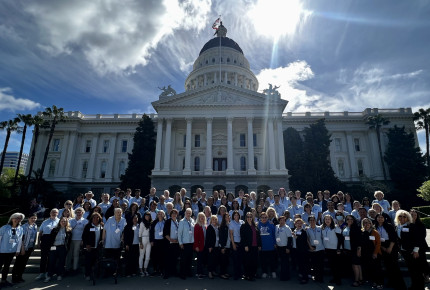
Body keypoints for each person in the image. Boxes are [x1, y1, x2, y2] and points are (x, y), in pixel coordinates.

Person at [375, 213, 406, 289]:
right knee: (387, 266)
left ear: (384, 218)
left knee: (394, 266)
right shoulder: (375, 226)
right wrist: (382, 247)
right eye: (378, 217)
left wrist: (390, 248)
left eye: (382, 217)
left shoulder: (389, 225)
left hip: (391, 246)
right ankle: (391, 282)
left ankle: (400, 284)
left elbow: (393, 237)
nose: (380, 218)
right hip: (381, 246)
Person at [395, 210, 424, 289]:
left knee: (417, 271)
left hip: (413, 252)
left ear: (408, 218)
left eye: (404, 216)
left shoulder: (411, 226)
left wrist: (415, 250)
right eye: (400, 216)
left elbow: (417, 239)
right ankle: (414, 286)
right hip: (404, 251)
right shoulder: (398, 226)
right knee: (411, 270)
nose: (402, 218)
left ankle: (420, 287)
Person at [44, 217, 72, 282]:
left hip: (62, 247)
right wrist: (50, 247)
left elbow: (69, 241)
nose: (63, 222)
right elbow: (50, 239)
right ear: (59, 222)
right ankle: (49, 275)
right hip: (54, 247)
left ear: (66, 222)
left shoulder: (68, 230)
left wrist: (67, 248)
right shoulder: (55, 229)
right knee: (51, 262)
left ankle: (59, 275)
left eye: (64, 221)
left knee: (61, 262)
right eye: (62, 221)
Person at [0, 213, 24, 286]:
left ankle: (4, 280)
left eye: (19, 218)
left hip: (11, 251)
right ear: (12, 218)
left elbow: (20, 240)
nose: (17, 220)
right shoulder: (4, 227)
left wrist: (17, 250)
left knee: (7, 266)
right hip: (2, 251)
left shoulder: (20, 228)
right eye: (16, 218)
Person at [12, 213, 37, 283]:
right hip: (22, 247)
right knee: (18, 263)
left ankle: (20, 276)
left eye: (35, 218)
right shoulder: (23, 226)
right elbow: (21, 238)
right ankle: (14, 277)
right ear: (28, 218)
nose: (33, 219)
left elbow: (34, 237)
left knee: (24, 263)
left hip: (29, 247)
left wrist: (33, 246)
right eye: (32, 218)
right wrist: (22, 248)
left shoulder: (35, 226)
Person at [359, 218, 383, 289]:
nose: (367, 224)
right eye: (365, 223)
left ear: (371, 224)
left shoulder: (375, 232)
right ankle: (373, 281)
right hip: (366, 254)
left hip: (374, 253)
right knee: (370, 268)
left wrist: (375, 253)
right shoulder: (361, 232)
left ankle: (379, 283)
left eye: (368, 223)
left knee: (377, 269)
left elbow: (378, 244)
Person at [36, 208, 59, 281]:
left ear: (57, 213)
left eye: (55, 212)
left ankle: (49, 273)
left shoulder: (59, 221)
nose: (54, 213)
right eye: (52, 212)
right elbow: (40, 233)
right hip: (45, 240)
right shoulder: (45, 222)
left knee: (51, 257)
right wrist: (38, 242)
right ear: (50, 213)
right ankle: (42, 272)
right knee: (43, 257)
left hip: (54, 242)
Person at [102, 208, 126, 276]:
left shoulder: (123, 220)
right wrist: (103, 239)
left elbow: (124, 231)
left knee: (117, 259)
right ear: (114, 213)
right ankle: (108, 272)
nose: (119, 214)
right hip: (109, 243)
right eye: (117, 212)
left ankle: (116, 272)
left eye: (120, 212)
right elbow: (104, 230)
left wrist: (122, 239)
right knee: (108, 259)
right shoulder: (110, 219)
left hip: (117, 243)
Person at [410, 209, 430, 284]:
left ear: (417, 216)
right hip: (411, 246)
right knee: (416, 263)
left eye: (415, 215)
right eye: (411, 215)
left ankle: (426, 275)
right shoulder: (408, 224)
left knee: (423, 262)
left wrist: (417, 248)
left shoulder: (421, 224)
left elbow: (422, 236)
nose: (413, 216)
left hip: (420, 246)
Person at [66, 207, 88, 274]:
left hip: (79, 239)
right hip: (71, 239)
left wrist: (83, 240)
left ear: (82, 213)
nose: (78, 213)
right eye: (77, 212)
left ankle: (75, 268)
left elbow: (85, 232)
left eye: (80, 212)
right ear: (75, 213)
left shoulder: (85, 221)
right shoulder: (71, 220)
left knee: (76, 254)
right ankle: (67, 268)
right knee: (69, 254)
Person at [321, 215, 342, 285]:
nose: (327, 220)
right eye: (326, 219)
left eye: (328, 219)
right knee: (331, 265)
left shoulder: (335, 227)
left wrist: (338, 248)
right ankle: (334, 278)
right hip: (327, 249)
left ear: (331, 220)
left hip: (335, 249)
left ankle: (338, 280)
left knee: (337, 266)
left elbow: (340, 238)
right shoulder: (323, 228)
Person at [82, 212, 103, 281]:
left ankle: (96, 274)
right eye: (94, 217)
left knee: (96, 262)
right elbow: (84, 237)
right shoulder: (88, 226)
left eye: (97, 217)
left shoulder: (101, 226)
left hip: (97, 247)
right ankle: (87, 274)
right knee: (88, 262)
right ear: (91, 218)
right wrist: (87, 245)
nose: (96, 219)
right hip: (89, 247)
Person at [342, 215, 362, 287]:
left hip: (354, 249)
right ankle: (360, 279)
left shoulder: (356, 228)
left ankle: (357, 281)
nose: (349, 220)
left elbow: (359, 240)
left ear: (353, 220)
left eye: (351, 219)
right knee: (356, 265)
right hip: (347, 249)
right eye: (348, 219)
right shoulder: (345, 227)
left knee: (355, 265)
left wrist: (359, 249)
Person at [240, 212, 261, 281]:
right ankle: (248, 275)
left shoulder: (254, 225)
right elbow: (242, 237)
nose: (249, 218)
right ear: (246, 218)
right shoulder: (243, 226)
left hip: (255, 246)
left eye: (250, 217)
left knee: (254, 261)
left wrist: (259, 245)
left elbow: (258, 236)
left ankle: (253, 274)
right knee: (248, 261)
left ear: (252, 218)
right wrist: (245, 245)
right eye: (248, 217)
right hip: (248, 246)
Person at [258, 211, 277, 279]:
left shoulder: (271, 225)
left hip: (271, 246)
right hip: (262, 247)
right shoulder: (257, 225)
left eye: (265, 217)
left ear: (267, 218)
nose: (264, 218)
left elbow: (274, 235)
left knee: (272, 261)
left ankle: (273, 272)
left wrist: (275, 243)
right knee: (263, 261)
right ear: (260, 218)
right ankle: (264, 272)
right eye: (262, 217)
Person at [306, 215, 324, 283]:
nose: (312, 221)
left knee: (320, 265)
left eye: (313, 220)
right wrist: (310, 246)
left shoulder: (320, 228)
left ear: (316, 221)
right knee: (314, 264)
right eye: (310, 220)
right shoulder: (307, 229)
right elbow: (307, 239)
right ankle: (316, 277)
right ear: (308, 221)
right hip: (312, 249)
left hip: (320, 248)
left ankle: (320, 278)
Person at [178, 208, 195, 279]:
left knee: (189, 259)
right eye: (187, 213)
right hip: (184, 243)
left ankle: (188, 272)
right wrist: (180, 243)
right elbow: (179, 234)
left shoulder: (193, 221)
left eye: (189, 213)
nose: (188, 214)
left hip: (191, 243)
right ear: (185, 213)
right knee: (183, 260)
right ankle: (182, 273)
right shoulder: (182, 222)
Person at [163, 209, 180, 279]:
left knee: (175, 259)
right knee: (168, 259)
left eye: (175, 213)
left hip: (176, 243)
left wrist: (177, 240)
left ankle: (174, 272)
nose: (174, 214)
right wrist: (171, 240)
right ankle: (167, 273)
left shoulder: (178, 222)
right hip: (169, 243)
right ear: (170, 214)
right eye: (173, 213)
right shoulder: (168, 221)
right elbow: (165, 233)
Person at [292, 218, 310, 284]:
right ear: (295, 224)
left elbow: (303, 240)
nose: (299, 224)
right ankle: (301, 276)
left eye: (300, 223)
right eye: (297, 223)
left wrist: (296, 237)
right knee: (300, 264)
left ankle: (305, 278)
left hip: (302, 251)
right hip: (296, 250)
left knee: (304, 264)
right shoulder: (294, 231)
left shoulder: (303, 231)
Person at [275, 215, 293, 281]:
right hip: (279, 247)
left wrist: (288, 248)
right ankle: (282, 274)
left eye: (283, 220)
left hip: (285, 247)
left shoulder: (287, 228)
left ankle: (286, 276)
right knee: (282, 262)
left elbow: (290, 238)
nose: (282, 221)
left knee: (285, 263)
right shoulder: (276, 227)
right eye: (280, 220)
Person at [149, 210, 166, 276]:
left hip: (163, 241)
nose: (160, 214)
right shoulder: (154, 222)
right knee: (155, 256)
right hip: (155, 241)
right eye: (159, 213)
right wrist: (151, 240)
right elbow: (151, 232)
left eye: (161, 213)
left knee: (162, 256)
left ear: (164, 215)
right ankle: (155, 270)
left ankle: (161, 270)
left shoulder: (165, 222)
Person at [229, 210, 244, 280]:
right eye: (235, 215)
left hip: (241, 243)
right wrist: (233, 244)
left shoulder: (242, 222)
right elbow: (231, 234)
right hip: (235, 242)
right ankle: (236, 274)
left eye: (237, 215)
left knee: (240, 259)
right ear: (233, 216)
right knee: (235, 260)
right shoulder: (231, 223)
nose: (236, 216)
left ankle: (240, 273)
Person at [138, 211, 152, 277]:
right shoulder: (142, 223)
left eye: (149, 216)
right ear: (144, 216)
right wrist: (140, 243)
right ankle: (141, 270)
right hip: (143, 239)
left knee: (148, 256)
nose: (148, 217)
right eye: (146, 215)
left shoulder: (150, 223)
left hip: (149, 239)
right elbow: (139, 234)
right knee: (142, 255)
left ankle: (145, 269)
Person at [193, 212, 207, 279]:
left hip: (204, 245)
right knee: (199, 260)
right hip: (199, 246)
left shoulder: (205, 225)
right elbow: (195, 237)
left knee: (203, 260)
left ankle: (202, 272)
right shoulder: (197, 225)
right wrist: (196, 246)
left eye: (203, 216)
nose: (202, 218)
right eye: (200, 217)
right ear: (198, 218)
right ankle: (198, 273)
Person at [218, 213, 231, 280]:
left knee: (226, 261)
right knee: (222, 261)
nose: (227, 218)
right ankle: (222, 274)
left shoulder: (230, 225)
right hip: (224, 246)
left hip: (229, 245)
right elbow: (221, 237)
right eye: (226, 217)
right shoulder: (222, 226)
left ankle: (225, 272)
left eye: (228, 216)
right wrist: (222, 247)